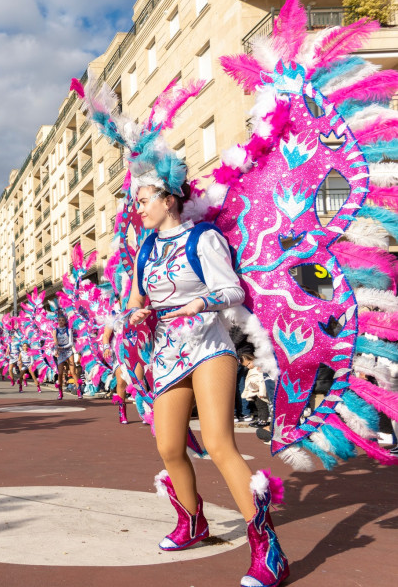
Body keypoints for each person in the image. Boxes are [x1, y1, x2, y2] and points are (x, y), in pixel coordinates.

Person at [126, 179, 288, 579]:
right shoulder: (144, 248)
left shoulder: (203, 238)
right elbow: (135, 298)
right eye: (136, 203)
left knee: (217, 442)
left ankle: (269, 551)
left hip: (208, 346)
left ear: (169, 200)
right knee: (168, 447)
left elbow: (233, 290)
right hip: (165, 352)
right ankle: (193, 522)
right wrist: (135, 314)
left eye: (144, 201)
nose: (139, 210)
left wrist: (202, 301)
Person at [54, 313, 79, 400]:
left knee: (73, 371)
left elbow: (71, 343)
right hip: (60, 352)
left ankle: (79, 391)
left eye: (63, 320)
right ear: (57, 321)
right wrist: (56, 349)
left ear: (65, 322)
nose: (61, 322)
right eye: (59, 320)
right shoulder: (55, 330)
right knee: (60, 373)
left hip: (68, 351)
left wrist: (62, 347)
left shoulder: (68, 330)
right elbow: (55, 341)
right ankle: (60, 393)